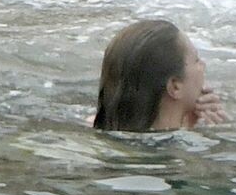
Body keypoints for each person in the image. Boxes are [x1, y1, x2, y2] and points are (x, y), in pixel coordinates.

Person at [91, 19, 227, 132]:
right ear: (175, 87)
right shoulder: (185, 150)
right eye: (196, 60)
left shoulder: (96, 128)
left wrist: (188, 122)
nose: (203, 65)